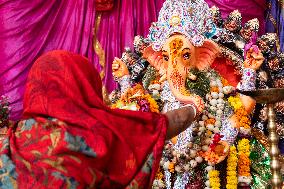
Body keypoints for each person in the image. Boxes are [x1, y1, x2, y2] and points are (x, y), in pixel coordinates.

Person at [0, 50, 197, 188]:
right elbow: (164, 125)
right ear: (84, 86)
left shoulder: (13, 138)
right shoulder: (99, 131)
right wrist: (194, 107)